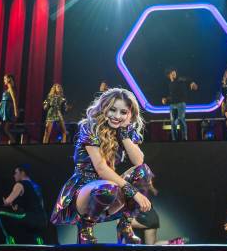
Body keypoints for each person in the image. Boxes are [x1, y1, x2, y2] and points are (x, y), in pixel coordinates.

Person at [50, 88, 153, 244]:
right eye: (113, 110)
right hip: (84, 188)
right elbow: (101, 168)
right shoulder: (89, 127)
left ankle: (125, 226)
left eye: (123, 112)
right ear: (104, 107)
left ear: (129, 114)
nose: (117, 116)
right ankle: (85, 229)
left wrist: (124, 133)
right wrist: (134, 193)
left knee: (143, 172)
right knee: (108, 187)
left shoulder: (124, 130)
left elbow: (138, 161)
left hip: (111, 187)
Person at [0, 164, 47, 245]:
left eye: (16, 173)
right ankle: (38, 239)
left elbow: (8, 201)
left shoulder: (20, 184)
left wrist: (6, 202)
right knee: (22, 219)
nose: (14, 175)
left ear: (22, 173)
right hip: (42, 221)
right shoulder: (36, 186)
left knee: (0, 214)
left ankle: (10, 239)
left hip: (30, 218)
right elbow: (40, 205)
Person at [130, 178, 186, 245]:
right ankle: (172, 242)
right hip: (153, 218)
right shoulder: (144, 189)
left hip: (145, 218)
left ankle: (124, 245)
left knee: (122, 222)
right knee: (151, 244)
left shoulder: (133, 192)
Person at [161, 68, 198, 141]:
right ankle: (174, 139)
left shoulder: (180, 80)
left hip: (181, 103)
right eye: (172, 73)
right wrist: (166, 99)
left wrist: (192, 83)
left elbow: (187, 80)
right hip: (172, 104)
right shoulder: (169, 84)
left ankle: (184, 138)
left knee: (181, 119)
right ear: (169, 75)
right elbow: (171, 95)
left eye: (174, 72)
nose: (174, 73)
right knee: (172, 122)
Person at [0, 74, 18, 144]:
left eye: (5, 79)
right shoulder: (8, 89)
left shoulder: (10, 87)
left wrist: (15, 111)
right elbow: (2, 102)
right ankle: (12, 140)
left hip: (7, 110)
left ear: (9, 79)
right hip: (2, 109)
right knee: (4, 128)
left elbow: (14, 99)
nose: (4, 81)